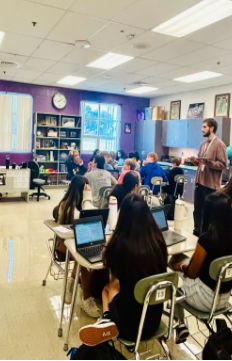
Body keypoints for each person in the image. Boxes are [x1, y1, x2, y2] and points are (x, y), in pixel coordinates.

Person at [79, 194, 168, 345]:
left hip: (128, 325)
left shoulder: (121, 245)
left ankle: (107, 319)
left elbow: (105, 259)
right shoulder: (158, 241)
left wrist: (116, 228)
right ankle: (107, 320)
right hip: (153, 321)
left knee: (108, 288)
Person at [170, 192, 232, 344]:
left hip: (205, 299)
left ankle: (180, 324)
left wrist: (181, 267)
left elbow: (191, 273)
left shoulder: (208, 238)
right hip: (224, 297)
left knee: (172, 279)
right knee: (182, 260)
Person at [56, 175, 108, 318]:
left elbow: (94, 219)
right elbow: (87, 218)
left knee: (85, 255)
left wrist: (87, 199)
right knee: (85, 263)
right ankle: (86, 299)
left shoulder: (81, 205)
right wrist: (87, 199)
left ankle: (71, 284)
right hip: (64, 244)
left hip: (80, 243)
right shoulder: (67, 206)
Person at [190, 118, 228, 237]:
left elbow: (223, 164)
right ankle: (197, 231)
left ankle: (206, 236)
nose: (202, 130)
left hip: (210, 185)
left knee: (208, 212)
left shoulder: (219, 144)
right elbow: (201, 163)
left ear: (212, 128)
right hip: (199, 182)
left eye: (204, 127)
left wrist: (209, 163)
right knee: (197, 210)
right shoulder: (203, 144)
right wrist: (195, 161)